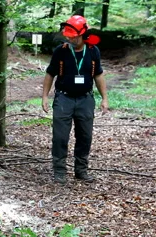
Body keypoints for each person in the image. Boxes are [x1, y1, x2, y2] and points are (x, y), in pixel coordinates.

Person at [41, 15, 108, 184]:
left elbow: (98, 75)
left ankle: (81, 170)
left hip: (85, 99)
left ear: (83, 34)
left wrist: (104, 98)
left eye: (73, 36)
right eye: (68, 36)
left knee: (85, 136)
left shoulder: (93, 51)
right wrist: (44, 97)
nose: (70, 39)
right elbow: (50, 73)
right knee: (60, 137)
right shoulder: (61, 51)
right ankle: (59, 171)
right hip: (64, 98)